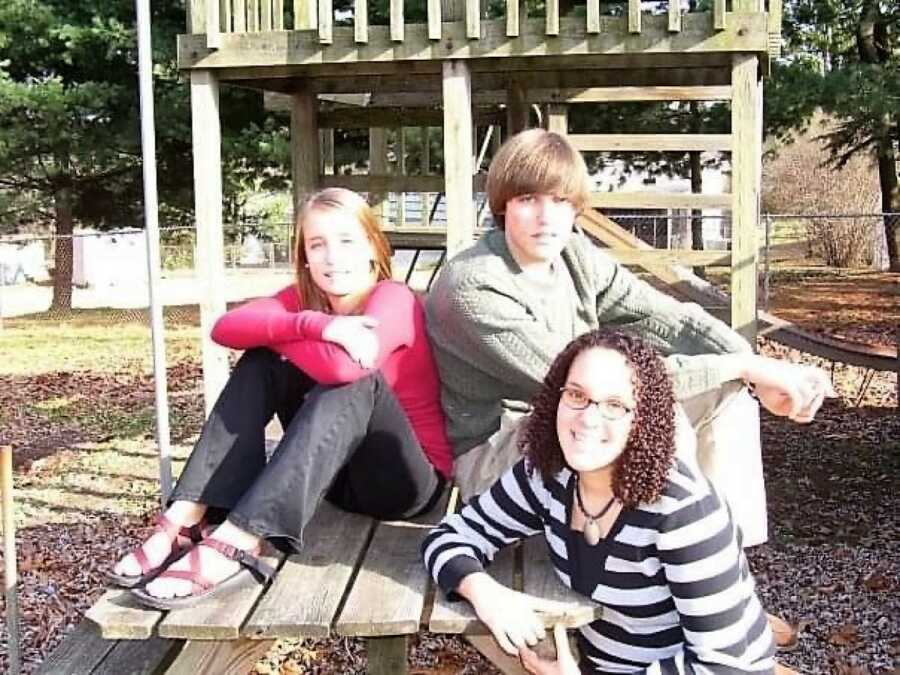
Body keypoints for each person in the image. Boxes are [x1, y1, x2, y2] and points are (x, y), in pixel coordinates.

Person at [425, 128, 832, 545]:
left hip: (573, 422)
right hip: (499, 455)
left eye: (560, 200)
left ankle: (724, 557)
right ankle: (653, 566)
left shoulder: (573, 255)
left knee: (726, 395)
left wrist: (753, 370)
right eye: (528, 199)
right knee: (655, 417)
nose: (547, 217)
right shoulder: (472, 287)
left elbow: (668, 318)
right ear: (502, 205)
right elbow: (587, 386)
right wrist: (745, 365)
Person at [109, 187, 452, 608]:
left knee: (352, 378)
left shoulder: (394, 298)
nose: (332, 256)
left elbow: (345, 370)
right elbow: (227, 327)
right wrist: (317, 326)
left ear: (372, 247)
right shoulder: (306, 300)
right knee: (262, 360)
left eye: (346, 241)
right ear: (305, 256)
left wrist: (285, 330)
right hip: (336, 481)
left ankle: (239, 539)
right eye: (317, 244)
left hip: (406, 485)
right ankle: (188, 513)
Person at [423, 329, 776, 674]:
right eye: (577, 395)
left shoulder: (682, 511)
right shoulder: (549, 476)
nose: (589, 418)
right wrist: (485, 593)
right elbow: (451, 534)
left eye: (614, 405)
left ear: (643, 420)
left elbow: (725, 665)